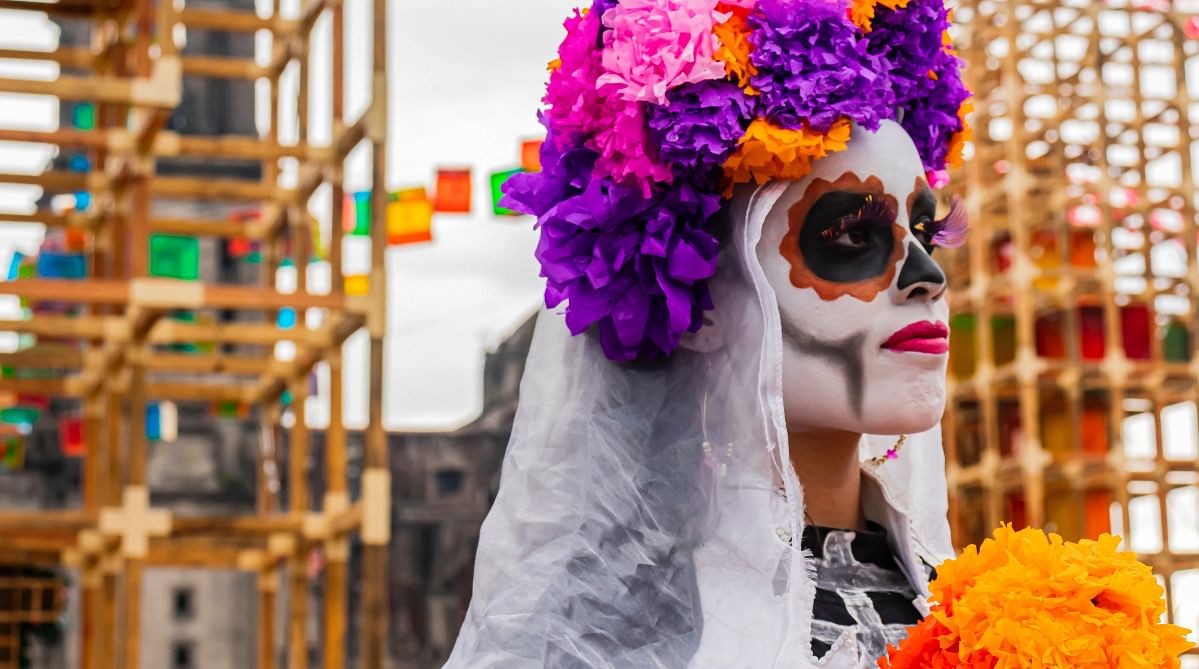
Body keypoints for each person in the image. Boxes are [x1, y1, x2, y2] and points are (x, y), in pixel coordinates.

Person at [447, 0, 971, 667]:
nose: (925, 277)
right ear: (703, 302)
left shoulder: (975, 605)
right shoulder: (622, 625)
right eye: (850, 234)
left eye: (923, 233)